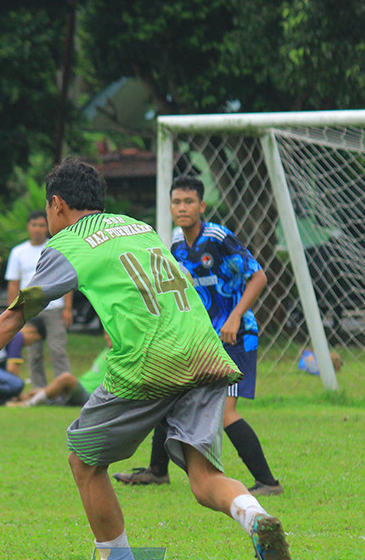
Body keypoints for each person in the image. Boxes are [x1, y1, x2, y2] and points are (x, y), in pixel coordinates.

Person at [0, 158, 295, 560]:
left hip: (150, 357)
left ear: (57, 205)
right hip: (203, 348)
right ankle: (255, 517)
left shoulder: (68, 246)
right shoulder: (136, 227)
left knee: (84, 462)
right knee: (203, 480)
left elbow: (14, 317)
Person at [113, 176, 283, 497]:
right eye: (176, 202)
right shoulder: (176, 242)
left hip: (235, 336)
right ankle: (157, 471)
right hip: (201, 338)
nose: (182, 208)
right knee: (170, 395)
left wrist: (234, 317)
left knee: (227, 412)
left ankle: (268, 482)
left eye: (189, 202)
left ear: (201, 206)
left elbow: (258, 276)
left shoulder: (218, 237)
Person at [5, 210, 72, 389]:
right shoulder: (18, 252)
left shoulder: (57, 247)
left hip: (54, 307)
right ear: (28, 227)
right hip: (29, 309)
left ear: (47, 227)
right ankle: (39, 390)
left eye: (41, 225)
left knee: (57, 348)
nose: (37, 229)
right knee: (33, 353)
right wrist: (13, 310)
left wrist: (67, 308)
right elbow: (13, 284)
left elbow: (67, 279)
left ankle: (64, 388)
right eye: (34, 225)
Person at [11, 332, 112, 408]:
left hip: (91, 395)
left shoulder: (120, 355)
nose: (107, 337)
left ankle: (29, 404)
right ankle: (14, 400)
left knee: (66, 378)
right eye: (105, 334)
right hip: (81, 387)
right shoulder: (105, 351)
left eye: (110, 334)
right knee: (40, 391)